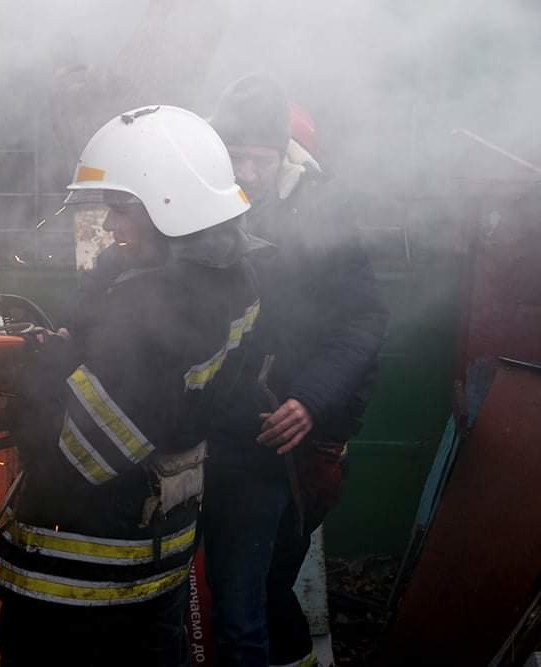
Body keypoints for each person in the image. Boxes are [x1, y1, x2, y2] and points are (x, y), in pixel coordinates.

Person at [0, 105, 267, 666]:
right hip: (154, 563)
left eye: (123, 210)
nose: (112, 226)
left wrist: (29, 378)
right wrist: (80, 343)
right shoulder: (232, 277)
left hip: (82, 587)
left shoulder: (157, 307)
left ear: (172, 204)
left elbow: (86, 454)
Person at [202, 74, 388, 666]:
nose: (247, 174)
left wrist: (308, 401)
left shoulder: (323, 210)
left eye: (258, 159)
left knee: (252, 594)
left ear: (281, 154)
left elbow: (362, 322)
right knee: (252, 594)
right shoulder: (197, 197)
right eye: (236, 158)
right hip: (210, 430)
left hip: (284, 435)